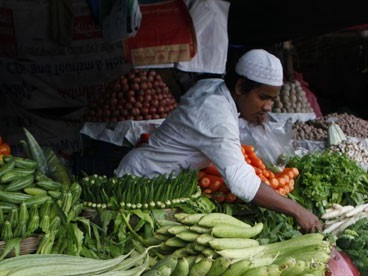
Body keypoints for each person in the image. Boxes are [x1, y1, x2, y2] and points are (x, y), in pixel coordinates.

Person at [115, 49, 322, 233]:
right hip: (141, 183)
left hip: (158, 181)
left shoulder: (215, 88)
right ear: (240, 87)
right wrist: (297, 211)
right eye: (263, 97)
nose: (268, 107)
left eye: (272, 100)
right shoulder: (216, 115)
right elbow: (242, 184)